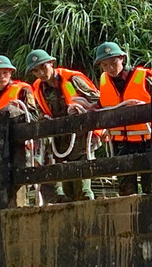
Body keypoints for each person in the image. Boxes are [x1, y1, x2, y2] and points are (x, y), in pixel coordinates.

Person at [26, 49, 99, 203]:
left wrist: (82, 107)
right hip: (59, 140)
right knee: (65, 183)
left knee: (82, 182)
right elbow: (40, 111)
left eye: (43, 67)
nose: (41, 73)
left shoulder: (73, 79)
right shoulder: (38, 88)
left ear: (51, 63)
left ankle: (89, 214)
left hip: (80, 135)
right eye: (36, 70)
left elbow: (98, 101)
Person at [94, 42, 152, 196]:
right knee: (125, 189)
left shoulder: (144, 76)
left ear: (122, 58)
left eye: (113, 62)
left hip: (146, 141)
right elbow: (103, 104)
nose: (110, 68)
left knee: (151, 186)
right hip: (120, 143)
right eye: (105, 65)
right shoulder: (104, 81)